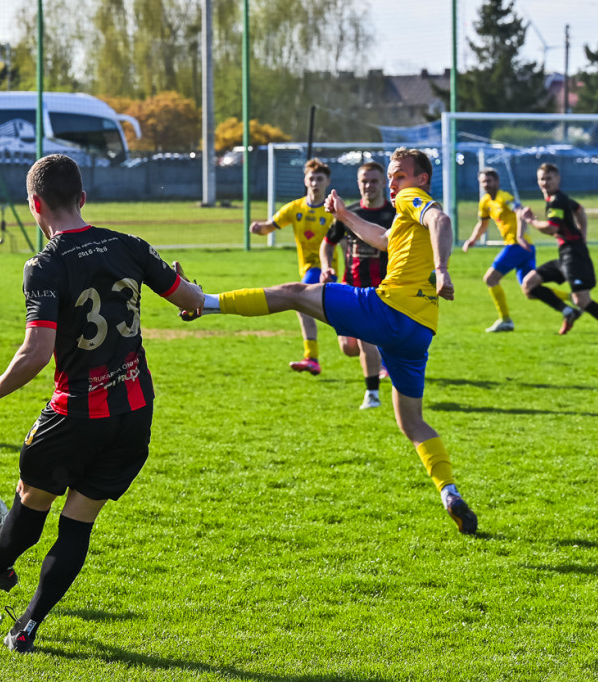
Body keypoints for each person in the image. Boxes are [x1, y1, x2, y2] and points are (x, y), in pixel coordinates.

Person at [0, 154, 204, 653]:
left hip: (76, 414)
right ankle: (26, 625)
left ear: (34, 205)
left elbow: (36, 351)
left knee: (32, 494)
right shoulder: (128, 245)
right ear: (83, 198)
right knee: (79, 521)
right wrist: (188, 296)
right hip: (134, 413)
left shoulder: (44, 265)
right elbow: (191, 298)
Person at [180, 148, 477, 535]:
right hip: (419, 330)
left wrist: (441, 270)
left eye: (400, 175)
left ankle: (201, 301)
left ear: (421, 179)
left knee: (293, 293)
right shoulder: (403, 213)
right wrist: (346, 216)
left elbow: (441, 218)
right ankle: (449, 492)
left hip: (390, 308)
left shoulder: (411, 198)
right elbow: (386, 240)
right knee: (413, 422)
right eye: (390, 175)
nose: (392, 182)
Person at [519, 163, 598, 344]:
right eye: (542, 178)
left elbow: (551, 228)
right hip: (565, 254)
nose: (545, 182)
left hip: (574, 255)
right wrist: (583, 234)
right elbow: (580, 210)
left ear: (558, 179)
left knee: (582, 300)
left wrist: (531, 221)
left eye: (549, 178)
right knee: (529, 284)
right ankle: (568, 312)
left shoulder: (557, 199)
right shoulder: (557, 199)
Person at [460, 167, 574, 333]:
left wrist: (520, 236)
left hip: (517, 246)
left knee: (490, 279)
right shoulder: (485, 202)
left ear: (497, 182)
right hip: (524, 248)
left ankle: (505, 320)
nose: (486, 184)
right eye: (483, 182)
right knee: (531, 290)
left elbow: (521, 211)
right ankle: (573, 301)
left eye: (489, 181)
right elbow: (482, 223)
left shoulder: (504, 198)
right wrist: (472, 239)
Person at [319, 161, 394, 409]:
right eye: (364, 181)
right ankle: (386, 355)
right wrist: (326, 266)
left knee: (364, 341)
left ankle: (372, 395)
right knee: (348, 347)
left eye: (374, 181)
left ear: (384, 183)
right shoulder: (348, 214)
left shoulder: (394, 215)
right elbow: (327, 243)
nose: (368, 185)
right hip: (349, 286)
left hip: (380, 291)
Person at [249, 158, 335, 376]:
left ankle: (312, 357)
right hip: (308, 270)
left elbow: (343, 241)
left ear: (327, 182)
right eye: (311, 178)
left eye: (319, 179)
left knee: (302, 304)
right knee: (341, 323)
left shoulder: (332, 211)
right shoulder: (294, 208)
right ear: (305, 181)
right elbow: (269, 227)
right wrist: (258, 229)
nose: (315, 182)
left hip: (327, 271)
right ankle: (312, 358)